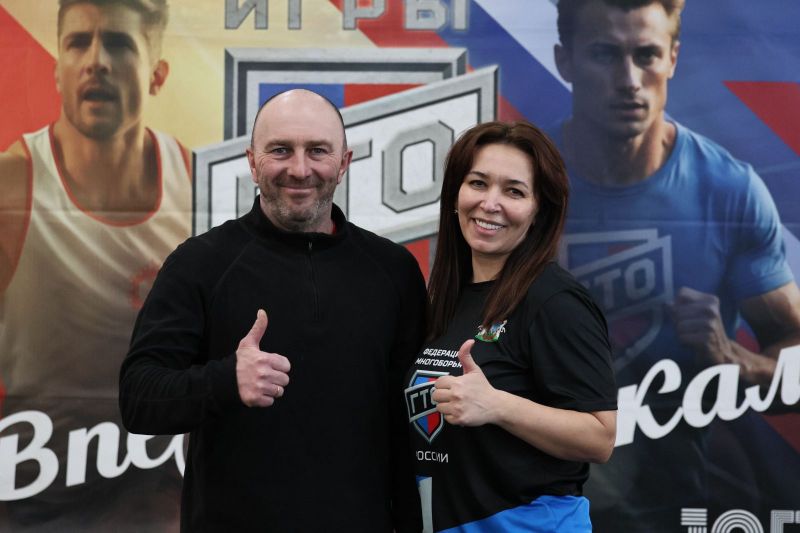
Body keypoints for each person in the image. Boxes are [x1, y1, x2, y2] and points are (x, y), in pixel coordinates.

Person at [119, 88, 426, 532]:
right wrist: (226, 380)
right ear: (252, 161)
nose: (299, 169)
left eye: (317, 151)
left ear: (344, 163)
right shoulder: (200, 264)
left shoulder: (394, 271)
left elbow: (407, 424)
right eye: (280, 150)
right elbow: (138, 399)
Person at [551, 0, 800, 530]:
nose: (629, 80)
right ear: (564, 60)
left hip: (676, 508)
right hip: (543, 507)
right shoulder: (519, 189)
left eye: (646, 55)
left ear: (672, 58)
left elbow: (797, 358)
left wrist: (734, 360)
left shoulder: (727, 189)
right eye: (604, 54)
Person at [0, 0, 190, 530]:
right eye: (78, 42)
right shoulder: (12, 187)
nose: (96, 62)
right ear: (57, 71)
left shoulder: (199, 185)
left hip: (160, 501)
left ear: (157, 75)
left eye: (119, 44)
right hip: (35, 503)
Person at [406, 120, 617, 532]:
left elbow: (600, 437)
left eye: (514, 191)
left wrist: (497, 405)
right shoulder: (447, 296)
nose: (490, 203)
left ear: (539, 211)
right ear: (455, 196)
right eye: (478, 183)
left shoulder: (556, 301)